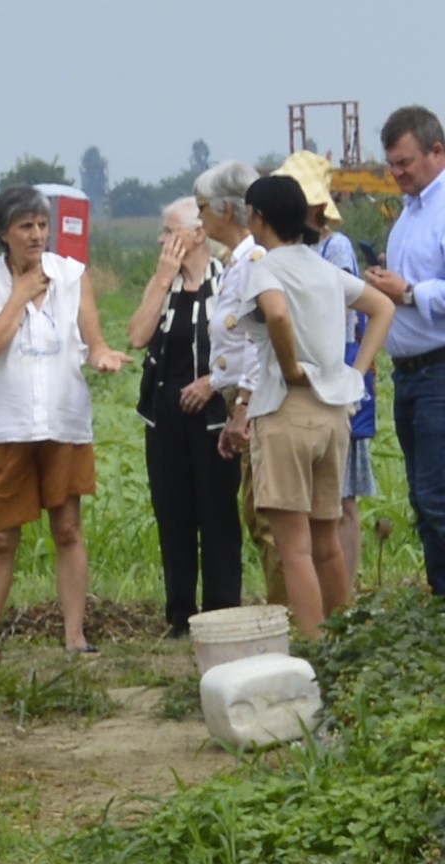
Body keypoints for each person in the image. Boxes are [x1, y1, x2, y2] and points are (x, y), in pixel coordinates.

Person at [0, 185, 132, 663]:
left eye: (42, 226)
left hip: (63, 420)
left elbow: (94, 342)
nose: (37, 235)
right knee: (2, 536)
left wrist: (104, 355)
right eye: (26, 226)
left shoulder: (72, 275)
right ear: (3, 233)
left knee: (68, 528)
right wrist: (21, 293)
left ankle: (74, 636)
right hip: (5, 424)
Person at [236, 176, 393, 638]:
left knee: (295, 549)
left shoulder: (265, 269)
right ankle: (343, 642)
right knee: (327, 543)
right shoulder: (324, 267)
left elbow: (277, 314)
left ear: (258, 218)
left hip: (287, 410)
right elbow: (382, 307)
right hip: (332, 415)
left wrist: (288, 366)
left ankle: (313, 647)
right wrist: (357, 371)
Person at [128, 198, 241, 638]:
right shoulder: (166, 286)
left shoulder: (229, 280)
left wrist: (212, 381)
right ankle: (179, 615)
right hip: (166, 420)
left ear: (197, 234)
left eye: (169, 229)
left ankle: (222, 611)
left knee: (217, 514)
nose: (161, 239)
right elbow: (137, 335)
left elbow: (248, 347)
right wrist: (160, 279)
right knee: (173, 515)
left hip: (216, 418)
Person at [273, 151, 378, 590]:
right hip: (304, 381)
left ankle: (345, 590)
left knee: (342, 497)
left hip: (339, 372)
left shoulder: (335, 249)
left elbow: (342, 317)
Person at [196, 162, 290, 611]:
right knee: (257, 513)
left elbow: (257, 341)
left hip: (255, 399)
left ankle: (290, 619)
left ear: (226, 209)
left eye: (202, 209)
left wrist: (243, 405)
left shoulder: (252, 261)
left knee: (268, 515)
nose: (199, 220)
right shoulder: (234, 263)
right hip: (242, 396)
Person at [363, 105, 445, 595]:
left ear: (437, 152)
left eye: (405, 163)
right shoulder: (408, 215)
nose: (396, 173)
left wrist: (409, 292)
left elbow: (415, 290)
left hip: (439, 372)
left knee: (437, 497)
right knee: (422, 497)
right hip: (409, 375)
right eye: (391, 164)